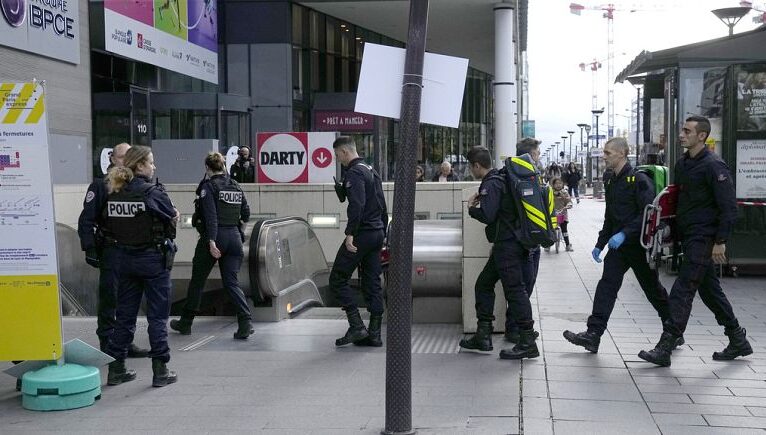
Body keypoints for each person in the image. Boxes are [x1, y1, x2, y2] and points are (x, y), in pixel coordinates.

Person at [639, 116, 751, 367]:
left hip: (705, 237)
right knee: (709, 290)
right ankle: (737, 338)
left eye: (687, 131)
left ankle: (666, 344)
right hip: (689, 236)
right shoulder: (683, 164)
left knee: (683, 288)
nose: (682, 134)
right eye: (682, 130)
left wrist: (720, 240)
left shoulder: (714, 165)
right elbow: (677, 200)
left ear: (702, 136)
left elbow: (728, 207)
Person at [563, 137, 676, 354]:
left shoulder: (639, 180)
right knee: (607, 285)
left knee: (653, 290)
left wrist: (625, 234)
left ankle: (673, 330)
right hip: (619, 247)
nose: (604, 157)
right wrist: (600, 243)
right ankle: (593, 334)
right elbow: (610, 217)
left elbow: (647, 213)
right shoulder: (611, 180)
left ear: (622, 154)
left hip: (638, 245)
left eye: (608, 153)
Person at [102, 146, 179, 387]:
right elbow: (172, 216)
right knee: (157, 317)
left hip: (124, 260)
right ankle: (160, 370)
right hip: (152, 261)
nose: (154, 167)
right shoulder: (152, 192)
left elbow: (107, 225)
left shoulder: (114, 192)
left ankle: (117, 368)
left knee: (124, 316)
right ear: (140, 165)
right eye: (151, 163)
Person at [459, 145, 539, 360]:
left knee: (515, 291)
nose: (471, 170)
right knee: (484, 284)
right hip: (511, 243)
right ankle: (483, 335)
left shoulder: (492, 183)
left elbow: (488, 214)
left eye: (470, 166)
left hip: (508, 246)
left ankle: (528, 340)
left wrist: (471, 208)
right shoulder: (502, 179)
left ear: (477, 165)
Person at [170, 152, 253, 340]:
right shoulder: (235, 186)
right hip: (234, 238)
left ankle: (186, 322)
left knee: (198, 281)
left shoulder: (209, 187)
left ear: (207, 168)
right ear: (223, 166)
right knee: (232, 282)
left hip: (214, 238)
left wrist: (211, 241)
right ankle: (245, 321)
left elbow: (211, 216)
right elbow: (246, 213)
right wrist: (237, 229)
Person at [77, 143, 149, 358]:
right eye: (121, 157)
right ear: (112, 159)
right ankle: (107, 343)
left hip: (132, 251)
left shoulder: (136, 186)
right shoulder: (101, 186)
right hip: (111, 250)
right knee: (110, 298)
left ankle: (125, 341)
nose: (125, 161)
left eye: (129, 157)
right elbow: (86, 220)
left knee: (128, 299)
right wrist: (89, 247)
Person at [330, 137, 388, 347]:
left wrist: (350, 233)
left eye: (338, 156)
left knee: (337, 278)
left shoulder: (354, 172)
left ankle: (356, 327)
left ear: (345, 152)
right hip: (376, 233)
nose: (339, 160)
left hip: (362, 234)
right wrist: (382, 232)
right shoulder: (371, 170)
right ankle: (374, 333)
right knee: (372, 282)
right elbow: (381, 203)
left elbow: (357, 205)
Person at [504, 137, 544, 344]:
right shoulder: (514, 176)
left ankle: (519, 327)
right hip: (523, 241)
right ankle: (516, 329)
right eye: (537, 154)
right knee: (521, 287)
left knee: (525, 286)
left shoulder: (530, 176)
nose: (538, 158)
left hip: (530, 240)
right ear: (529, 155)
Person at [551, 178, 574, 252]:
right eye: (556, 183)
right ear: (553, 185)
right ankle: (547, 244)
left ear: (562, 184)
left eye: (560, 183)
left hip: (562, 213)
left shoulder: (565, 192)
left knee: (564, 230)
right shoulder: (550, 192)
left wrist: (568, 206)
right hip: (552, 214)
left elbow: (569, 201)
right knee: (550, 229)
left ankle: (567, 245)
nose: (558, 185)